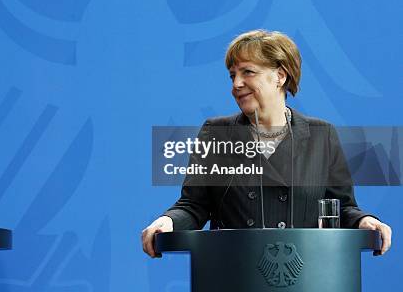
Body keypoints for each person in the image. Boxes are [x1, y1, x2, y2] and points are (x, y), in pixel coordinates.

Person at [142, 30, 392, 257]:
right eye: (232, 75)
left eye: (247, 72)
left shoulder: (321, 135)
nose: (236, 84)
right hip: (235, 274)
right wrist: (167, 221)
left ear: (280, 76)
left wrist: (365, 221)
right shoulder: (216, 133)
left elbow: (342, 208)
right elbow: (194, 205)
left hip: (304, 275)